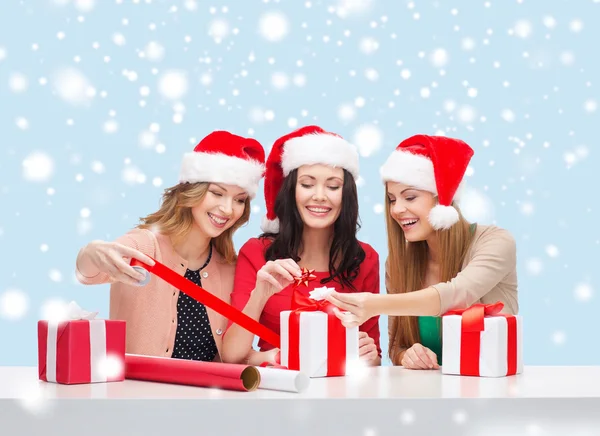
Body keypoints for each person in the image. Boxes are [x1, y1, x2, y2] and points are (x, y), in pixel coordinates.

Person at [325, 134, 518, 370]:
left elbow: (456, 294)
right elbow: (396, 347)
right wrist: (407, 355)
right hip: (426, 396)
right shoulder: (399, 264)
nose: (397, 209)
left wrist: (374, 304)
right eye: (392, 199)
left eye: (410, 197)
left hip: (490, 391)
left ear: (442, 200)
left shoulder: (496, 242)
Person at [75, 131, 266, 362]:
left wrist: (266, 357)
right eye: (217, 193)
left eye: (239, 200)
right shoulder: (144, 246)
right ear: (191, 191)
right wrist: (92, 252)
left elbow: (227, 354)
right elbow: (89, 273)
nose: (228, 209)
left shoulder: (229, 267)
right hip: (142, 394)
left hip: (208, 395)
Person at [222, 125, 382, 366]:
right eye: (307, 184)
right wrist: (260, 294)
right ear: (291, 192)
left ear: (346, 194)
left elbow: (374, 358)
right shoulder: (257, 253)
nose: (319, 196)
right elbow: (232, 356)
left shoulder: (365, 258)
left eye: (333, 186)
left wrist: (368, 356)